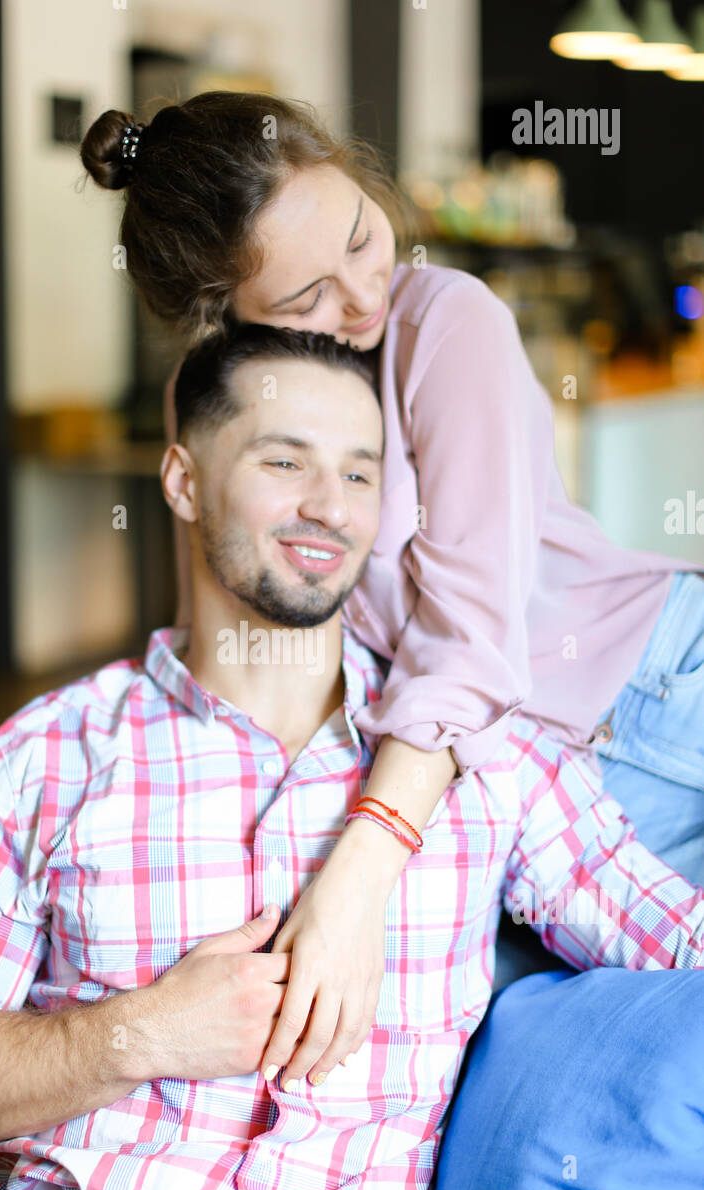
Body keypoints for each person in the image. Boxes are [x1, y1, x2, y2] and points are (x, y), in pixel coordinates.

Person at [0, 324, 704, 1190]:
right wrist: (140, 1035)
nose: (328, 508)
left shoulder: (486, 764)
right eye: (282, 461)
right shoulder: (44, 757)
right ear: (180, 480)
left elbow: (671, 932)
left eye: (359, 476)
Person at [79, 93, 704, 1100]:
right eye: (304, 302)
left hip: (639, 696)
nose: (362, 299)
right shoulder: (216, 399)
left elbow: (467, 644)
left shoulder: (443, 323)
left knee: (570, 1049)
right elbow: (239, 637)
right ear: (221, 321)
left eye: (361, 238)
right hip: (476, 755)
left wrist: (355, 876)